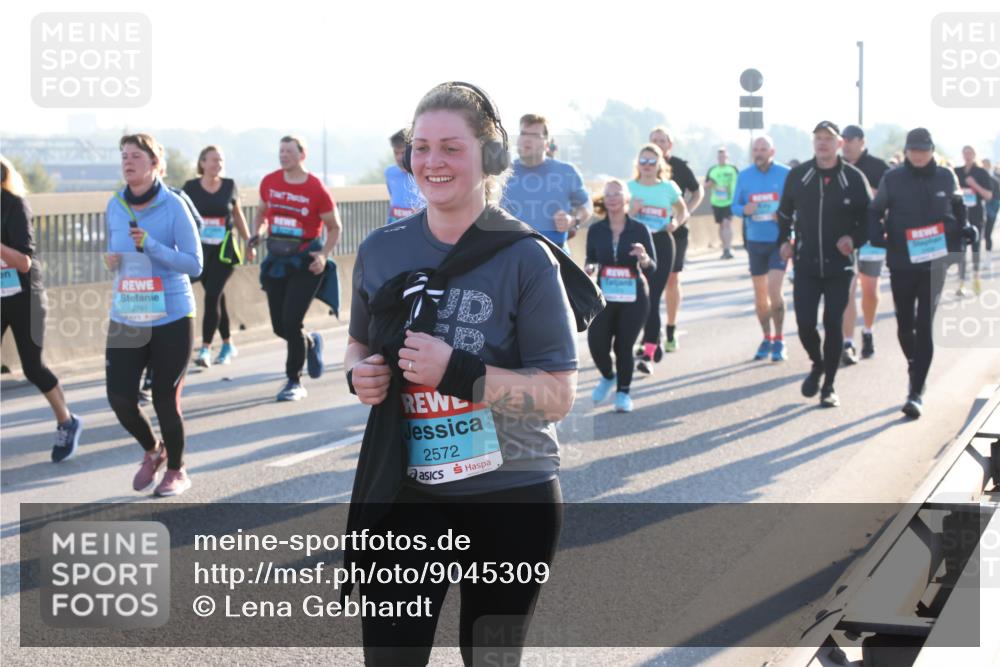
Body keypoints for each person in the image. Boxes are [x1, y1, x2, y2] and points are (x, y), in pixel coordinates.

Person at [345, 82, 599, 666]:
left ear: (490, 157)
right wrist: (361, 374)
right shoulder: (382, 250)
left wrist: (459, 372)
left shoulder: (525, 257)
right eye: (421, 147)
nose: (432, 162)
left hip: (511, 496)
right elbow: (358, 344)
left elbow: (559, 395)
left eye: (451, 148)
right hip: (407, 493)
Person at [105, 134, 202, 496]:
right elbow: (114, 253)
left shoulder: (173, 205)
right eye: (124, 156)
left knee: (164, 398)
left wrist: (153, 245)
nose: (128, 162)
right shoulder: (114, 204)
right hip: (128, 312)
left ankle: (177, 469)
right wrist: (111, 261)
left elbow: (194, 264)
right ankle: (152, 450)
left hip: (171, 316)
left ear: (155, 164)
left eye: (136, 156)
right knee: (120, 398)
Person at [868, 128, 975, 418]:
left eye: (923, 150)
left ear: (931, 150)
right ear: (906, 151)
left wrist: (966, 230)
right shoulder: (893, 178)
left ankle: (915, 392)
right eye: (913, 150)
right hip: (902, 260)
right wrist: (877, 235)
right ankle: (917, 367)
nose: (917, 155)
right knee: (905, 325)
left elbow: (958, 208)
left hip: (934, 261)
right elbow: (874, 211)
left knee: (924, 322)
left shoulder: (945, 176)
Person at [777, 121, 871, 407]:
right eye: (818, 138)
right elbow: (784, 213)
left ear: (839, 143)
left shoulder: (853, 178)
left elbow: (868, 218)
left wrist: (853, 240)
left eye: (828, 139)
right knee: (805, 324)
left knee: (832, 323)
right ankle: (817, 364)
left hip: (838, 267)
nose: (822, 143)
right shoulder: (799, 175)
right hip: (805, 264)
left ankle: (829, 385)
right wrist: (785, 240)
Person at [1, 156, 83, 462]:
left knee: (33, 366)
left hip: (25, 297)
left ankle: (66, 420)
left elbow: (22, 261)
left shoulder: (14, 205)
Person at [251, 136, 342, 402]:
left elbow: (334, 226)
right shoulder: (269, 181)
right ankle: (311, 342)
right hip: (276, 260)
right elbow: (261, 213)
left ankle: (294, 381)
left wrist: (324, 255)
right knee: (280, 327)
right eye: (280, 151)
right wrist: (257, 232)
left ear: (302, 155)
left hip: (305, 261)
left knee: (292, 322)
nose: (283, 155)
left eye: (289, 151)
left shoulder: (316, 188)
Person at [586, 179, 656, 411]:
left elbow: (651, 267)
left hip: (633, 298)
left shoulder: (639, 229)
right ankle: (608, 376)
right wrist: (589, 268)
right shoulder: (596, 230)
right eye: (608, 194)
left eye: (617, 194)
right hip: (603, 298)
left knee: (623, 347)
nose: (613, 198)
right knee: (596, 343)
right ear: (603, 200)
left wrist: (643, 258)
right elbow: (591, 259)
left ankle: (623, 394)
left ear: (627, 198)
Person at [183, 146, 253, 368]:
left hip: (224, 253)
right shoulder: (190, 187)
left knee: (212, 296)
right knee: (217, 297)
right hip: (200, 252)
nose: (218, 164)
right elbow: (182, 218)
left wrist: (249, 242)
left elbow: (238, 215)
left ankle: (204, 349)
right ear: (202, 163)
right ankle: (227, 343)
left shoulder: (230, 186)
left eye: (221, 160)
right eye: (213, 160)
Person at [628, 144, 689, 374]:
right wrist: (632, 212)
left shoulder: (668, 187)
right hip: (636, 245)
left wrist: (675, 223)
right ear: (637, 164)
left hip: (662, 243)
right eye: (642, 161)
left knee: (652, 296)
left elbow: (682, 210)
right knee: (638, 297)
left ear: (659, 164)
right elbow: (619, 219)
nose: (646, 166)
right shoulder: (629, 187)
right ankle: (650, 339)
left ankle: (648, 352)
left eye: (651, 162)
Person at [731, 136, 791, 362]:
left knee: (775, 291)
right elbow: (734, 206)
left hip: (779, 240)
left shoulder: (785, 174)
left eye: (763, 149)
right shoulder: (745, 176)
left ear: (772, 151)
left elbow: (794, 203)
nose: (758, 153)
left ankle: (780, 339)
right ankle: (767, 337)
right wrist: (744, 209)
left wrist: (783, 215)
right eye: (755, 149)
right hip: (755, 241)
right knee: (760, 296)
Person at [501, 113, 592, 252]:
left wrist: (572, 220)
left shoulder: (566, 172)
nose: (527, 139)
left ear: (547, 143)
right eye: (523, 133)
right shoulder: (501, 174)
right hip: (510, 255)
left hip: (555, 256)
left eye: (535, 135)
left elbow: (586, 206)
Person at [649, 127, 704, 352]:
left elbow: (697, 191)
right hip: (649, 232)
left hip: (675, 231)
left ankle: (671, 328)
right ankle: (651, 332)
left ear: (670, 145)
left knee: (671, 279)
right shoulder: (644, 168)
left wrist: (686, 212)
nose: (660, 144)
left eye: (663, 141)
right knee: (648, 284)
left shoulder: (679, 166)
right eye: (655, 141)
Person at [839, 125, 890, 363]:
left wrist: (870, 192)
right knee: (847, 291)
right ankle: (847, 343)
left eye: (850, 139)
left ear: (861, 141)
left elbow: (892, 199)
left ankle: (867, 330)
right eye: (843, 139)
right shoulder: (835, 167)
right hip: (844, 239)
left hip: (871, 237)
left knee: (869, 290)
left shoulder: (879, 168)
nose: (846, 143)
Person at [956, 145, 994, 296]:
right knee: (961, 249)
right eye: (964, 153)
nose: (967, 156)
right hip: (960, 216)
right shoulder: (957, 172)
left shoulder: (981, 172)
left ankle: (976, 279)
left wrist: (974, 185)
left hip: (976, 215)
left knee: (975, 247)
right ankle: (961, 283)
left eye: (970, 153)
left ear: (974, 154)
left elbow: (989, 195)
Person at [705, 147, 740, 259]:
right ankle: (724, 247)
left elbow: (741, 182)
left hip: (730, 201)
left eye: (724, 156)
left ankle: (728, 248)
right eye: (720, 157)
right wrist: (711, 183)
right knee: (721, 225)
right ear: (717, 158)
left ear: (727, 157)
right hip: (717, 201)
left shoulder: (733, 169)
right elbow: (706, 185)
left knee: (727, 223)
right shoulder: (713, 170)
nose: (722, 158)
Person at [385, 129, 426, 224]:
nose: (399, 158)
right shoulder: (389, 173)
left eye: (403, 153)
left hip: (418, 224)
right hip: (394, 223)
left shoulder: (425, 173)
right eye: (396, 153)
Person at [982, 159, 1000, 252]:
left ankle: (988, 257)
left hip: (990, 210)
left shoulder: (995, 180)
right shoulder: (979, 179)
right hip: (979, 211)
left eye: (986, 165)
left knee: (987, 234)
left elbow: (997, 198)